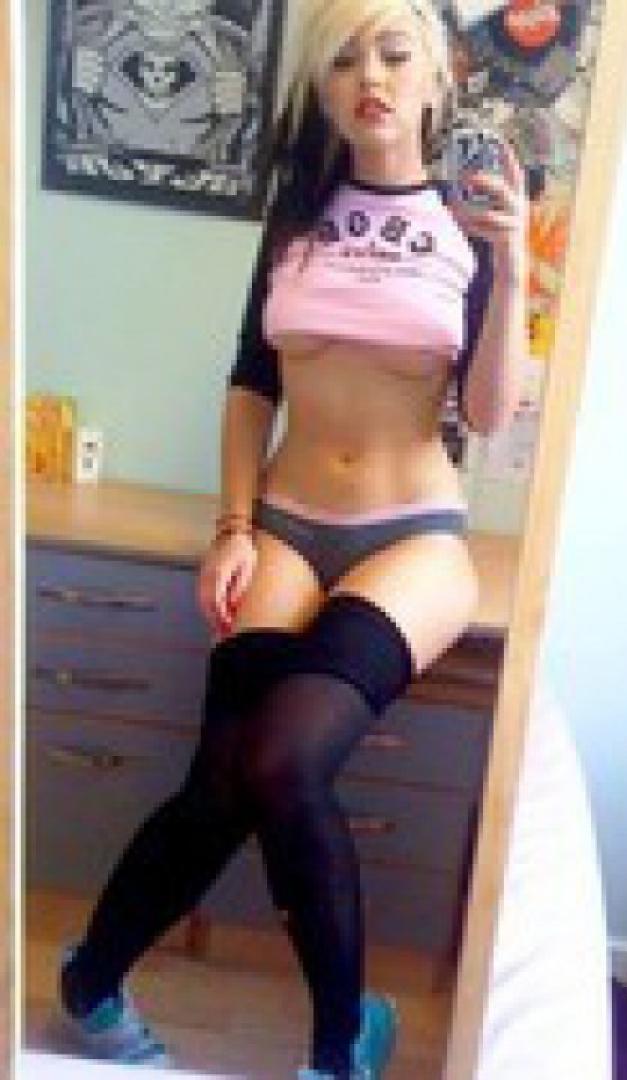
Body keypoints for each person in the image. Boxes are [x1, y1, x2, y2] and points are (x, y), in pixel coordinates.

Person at [58, 0, 528, 1076]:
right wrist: (231, 528)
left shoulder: (472, 222)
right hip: (283, 523)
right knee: (223, 779)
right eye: (344, 60)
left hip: (412, 538)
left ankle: (336, 1048)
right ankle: (91, 982)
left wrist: (510, 264)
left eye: (393, 53)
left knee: (282, 759)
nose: (371, 76)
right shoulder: (299, 212)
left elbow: (491, 412)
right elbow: (250, 383)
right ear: (322, 89)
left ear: (436, 76)